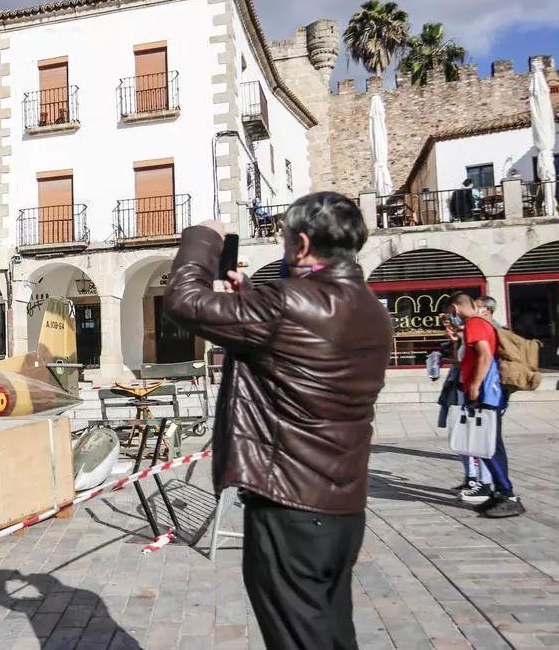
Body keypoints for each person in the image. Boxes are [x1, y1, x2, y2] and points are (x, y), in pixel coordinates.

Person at [164, 191, 391, 649]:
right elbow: (296, 354)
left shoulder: (284, 305)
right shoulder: (370, 310)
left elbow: (183, 301)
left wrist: (205, 237)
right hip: (342, 505)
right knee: (329, 630)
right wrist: (247, 301)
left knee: (297, 638)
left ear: (302, 244)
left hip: (290, 505)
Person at [448, 292, 525, 518]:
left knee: (488, 445)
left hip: (486, 394)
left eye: (449, 314)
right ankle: (499, 493)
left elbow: (484, 355)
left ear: (455, 308)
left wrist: (474, 385)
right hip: (486, 392)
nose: (451, 318)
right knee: (488, 445)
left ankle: (508, 495)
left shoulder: (474, 323)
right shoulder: (477, 323)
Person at [438, 304, 494, 504]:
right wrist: (454, 343)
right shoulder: (464, 336)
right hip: (461, 390)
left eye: (450, 322)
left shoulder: (477, 330)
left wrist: (475, 386)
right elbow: (461, 362)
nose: (449, 327)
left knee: (479, 440)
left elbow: (484, 357)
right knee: (462, 436)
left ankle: (485, 483)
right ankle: (472, 478)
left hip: (474, 393)